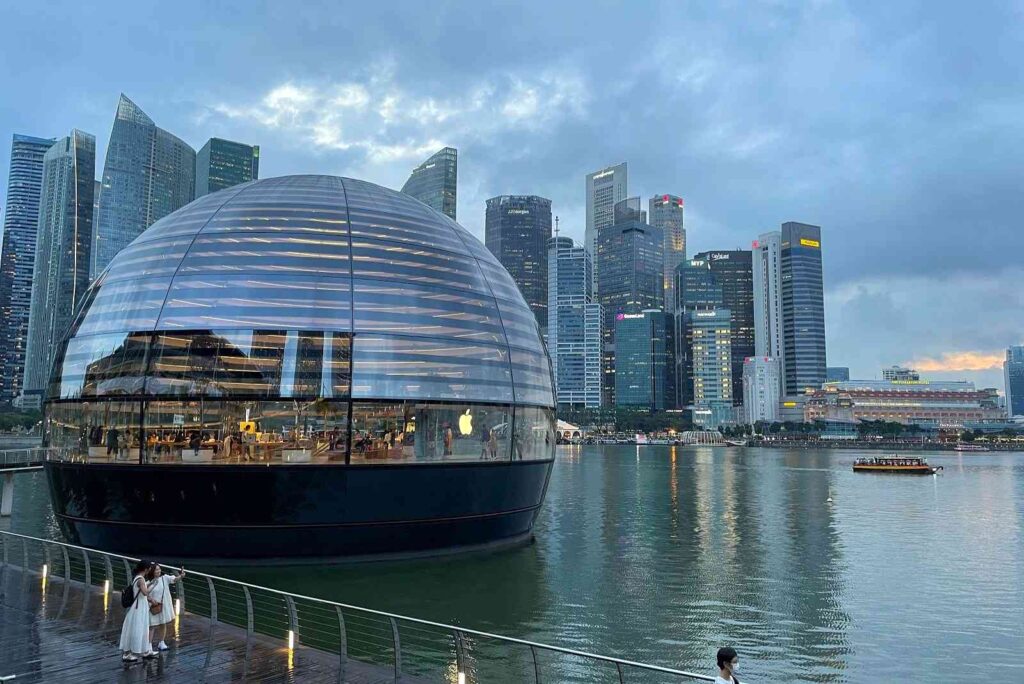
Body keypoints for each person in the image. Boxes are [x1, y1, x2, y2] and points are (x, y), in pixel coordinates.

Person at [120, 561, 157, 662]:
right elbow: (145, 592)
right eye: (149, 568)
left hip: (139, 606)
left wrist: (148, 584)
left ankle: (138, 651)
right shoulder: (141, 579)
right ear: (145, 569)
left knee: (137, 627)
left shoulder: (137, 577)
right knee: (137, 628)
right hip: (138, 608)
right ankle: (128, 653)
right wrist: (152, 586)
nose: (150, 570)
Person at [148, 564, 185, 651]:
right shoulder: (149, 582)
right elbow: (145, 593)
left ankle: (161, 642)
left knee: (163, 623)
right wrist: (151, 600)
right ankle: (148, 645)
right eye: (156, 570)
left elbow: (174, 579)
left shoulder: (164, 578)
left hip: (163, 605)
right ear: (152, 571)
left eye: (159, 569)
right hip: (154, 606)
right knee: (152, 625)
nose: (158, 571)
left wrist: (181, 576)